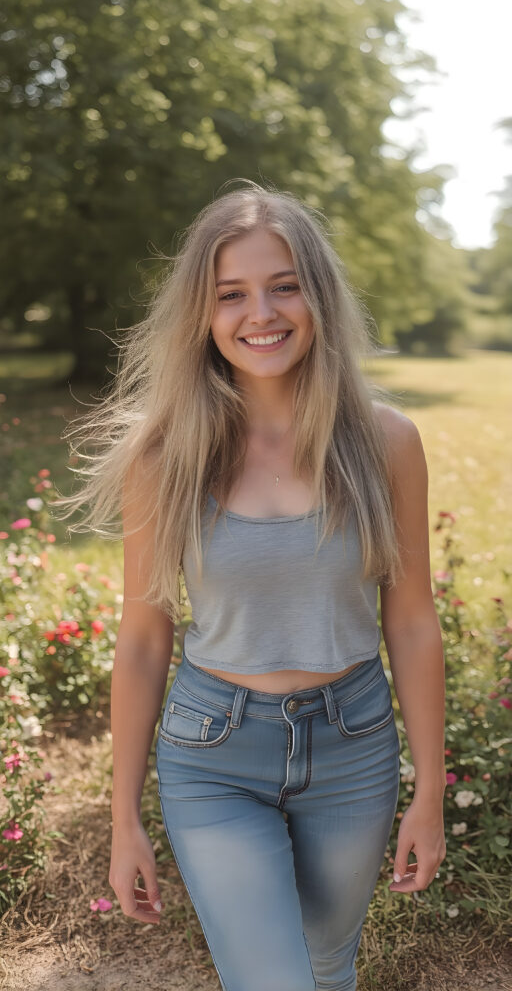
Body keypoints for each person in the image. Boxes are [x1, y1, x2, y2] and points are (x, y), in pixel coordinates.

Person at [55, 180, 446, 991]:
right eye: (231, 293)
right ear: (203, 312)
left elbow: (410, 622)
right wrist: (123, 817)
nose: (259, 313)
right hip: (214, 754)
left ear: (319, 297)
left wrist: (430, 791)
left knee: (328, 965)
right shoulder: (165, 456)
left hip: (354, 747)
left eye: (284, 285)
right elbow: (143, 636)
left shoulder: (386, 443)